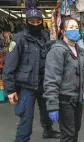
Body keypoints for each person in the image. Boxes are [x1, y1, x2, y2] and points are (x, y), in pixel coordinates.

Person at [2, 9, 60, 142]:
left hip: (43, 82)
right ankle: (22, 139)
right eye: (32, 22)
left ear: (42, 22)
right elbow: (9, 66)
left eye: (38, 21)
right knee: (26, 117)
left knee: (46, 110)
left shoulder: (45, 36)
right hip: (26, 85)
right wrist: (10, 90)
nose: (35, 24)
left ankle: (48, 130)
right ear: (27, 22)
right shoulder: (19, 39)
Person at [43, 17, 84, 142]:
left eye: (76, 27)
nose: (75, 30)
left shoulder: (82, 52)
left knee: (75, 130)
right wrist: (52, 105)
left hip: (77, 99)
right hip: (64, 100)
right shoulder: (57, 51)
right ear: (63, 31)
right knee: (68, 134)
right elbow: (51, 80)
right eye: (71, 27)